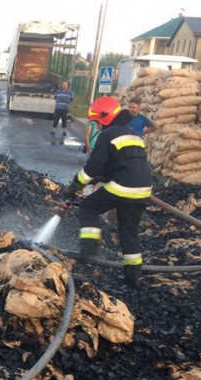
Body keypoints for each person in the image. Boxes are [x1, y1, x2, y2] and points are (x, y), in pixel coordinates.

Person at [62, 96, 153, 289]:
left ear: (105, 118)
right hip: (143, 189)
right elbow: (123, 164)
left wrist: (75, 186)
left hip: (123, 186)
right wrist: (100, 177)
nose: (97, 126)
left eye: (97, 122)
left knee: (88, 208)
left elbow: (93, 167)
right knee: (128, 231)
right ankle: (132, 278)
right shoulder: (133, 135)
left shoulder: (108, 134)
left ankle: (89, 253)